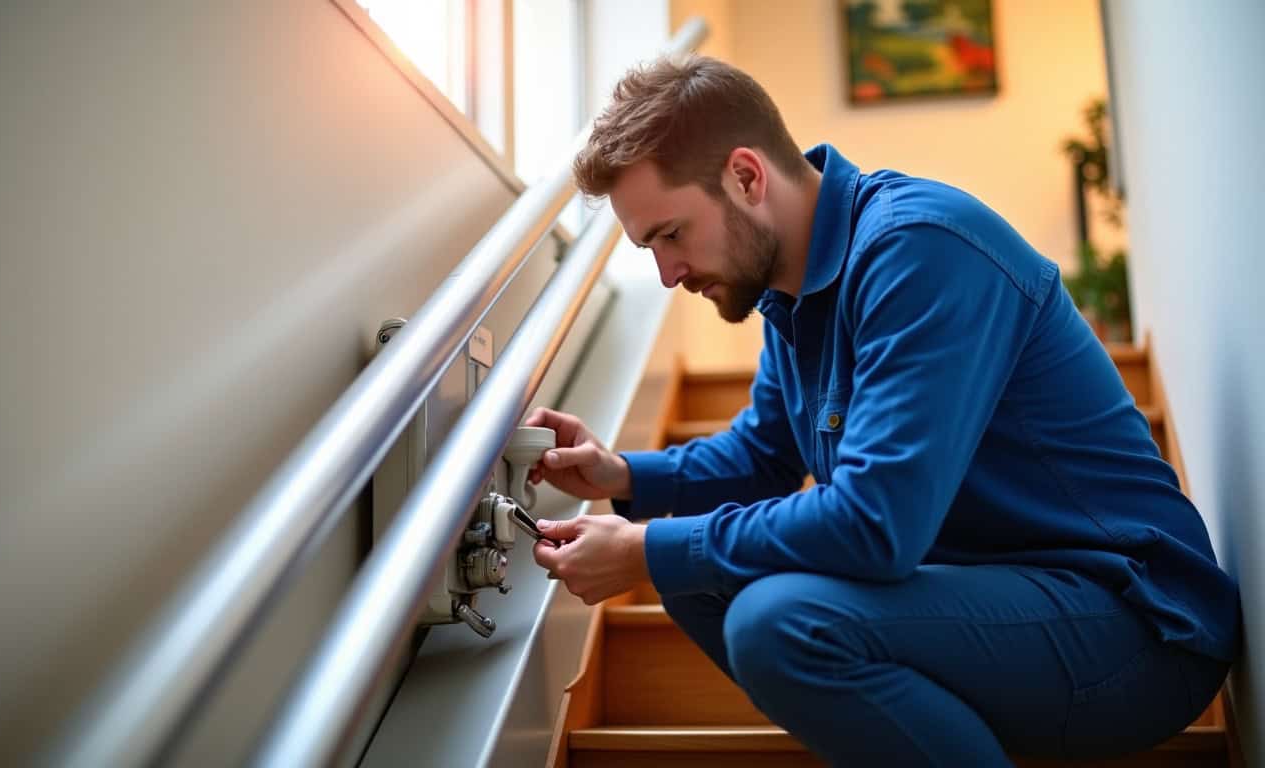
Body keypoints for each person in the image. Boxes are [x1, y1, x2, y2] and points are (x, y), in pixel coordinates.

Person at [523, 55, 1240, 766]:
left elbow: (875, 523)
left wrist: (646, 551)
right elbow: (761, 458)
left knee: (778, 622)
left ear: (746, 176)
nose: (668, 273)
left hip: (1134, 625)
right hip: (993, 604)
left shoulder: (918, 249)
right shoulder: (794, 293)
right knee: (700, 583)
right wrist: (618, 476)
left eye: (671, 234)